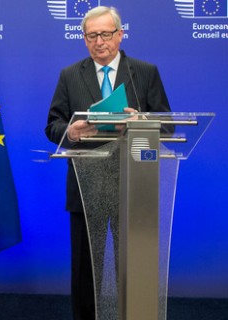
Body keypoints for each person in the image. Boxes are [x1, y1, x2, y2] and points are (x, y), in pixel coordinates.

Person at [45, 6, 171, 320]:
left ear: (120, 34)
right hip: (86, 188)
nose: (99, 42)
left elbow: (167, 126)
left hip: (133, 185)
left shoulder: (143, 71)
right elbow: (52, 126)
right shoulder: (70, 75)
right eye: (92, 36)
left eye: (105, 34)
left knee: (131, 269)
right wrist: (71, 131)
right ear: (84, 39)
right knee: (86, 272)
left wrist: (140, 120)